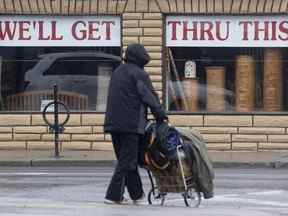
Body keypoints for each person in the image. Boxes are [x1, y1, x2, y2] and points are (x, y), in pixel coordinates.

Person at [104, 43, 167, 204]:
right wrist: (161, 116)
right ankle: (112, 196)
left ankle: (136, 195)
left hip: (113, 123)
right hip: (131, 124)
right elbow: (149, 97)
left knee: (127, 160)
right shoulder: (139, 74)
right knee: (127, 161)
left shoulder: (118, 71)